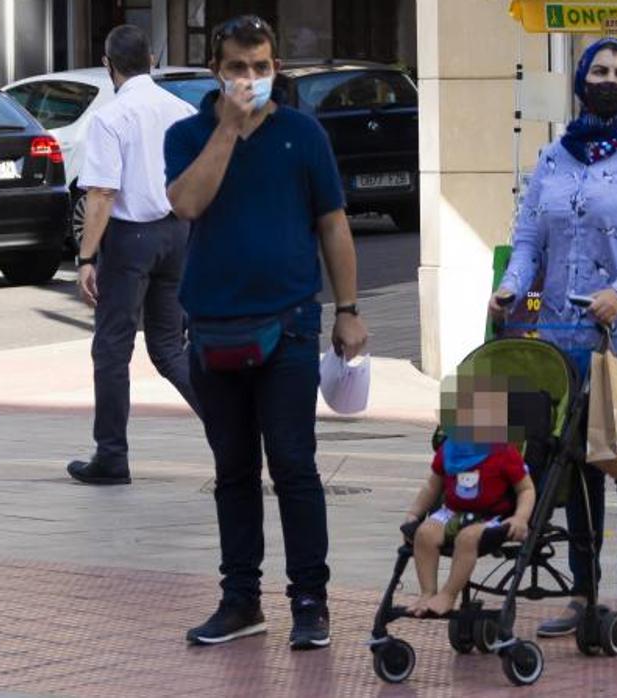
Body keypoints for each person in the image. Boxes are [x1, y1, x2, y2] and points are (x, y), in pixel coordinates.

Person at [165, 15, 368, 650]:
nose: (251, 79)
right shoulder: (187, 133)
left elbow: (333, 222)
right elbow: (187, 203)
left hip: (290, 326)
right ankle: (240, 600)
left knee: (294, 465)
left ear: (276, 68)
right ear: (216, 72)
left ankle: (310, 601)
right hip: (213, 328)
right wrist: (226, 128)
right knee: (232, 470)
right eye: (238, 68)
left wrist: (349, 309)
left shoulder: (303, 135)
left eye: (261, 67)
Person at [488, 37, 617, 640]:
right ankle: (584, 592)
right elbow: (527, 240)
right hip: (559, 341)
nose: (611, 80)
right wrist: (511, 288)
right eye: (600, 70)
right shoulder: (551, 158)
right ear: (580, 77)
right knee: (574, 469)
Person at [66, 25, 201, 486]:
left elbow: (102, 193)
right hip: (178, 234)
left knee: (111, 348)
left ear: (109, 66)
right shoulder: (182, 110)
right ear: (152, 60)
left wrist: (86, 257)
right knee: (168, 347)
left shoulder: (111, 117)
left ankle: (111, 455)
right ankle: (233, 435)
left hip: (129, 240)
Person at [401, 374, 536, 617]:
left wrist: (520, 518)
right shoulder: (450, 449)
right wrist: (415, 512)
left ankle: (448, 594)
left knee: (467, 538)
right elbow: (432, 486)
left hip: (491, 516)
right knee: (423, 534)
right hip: (452, 511)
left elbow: (526, 489)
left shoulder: (503, 452)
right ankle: (427, 592)